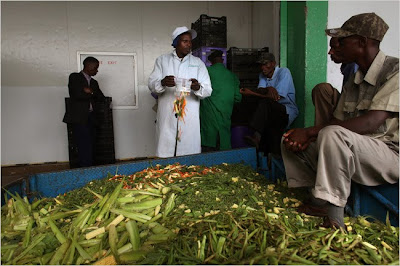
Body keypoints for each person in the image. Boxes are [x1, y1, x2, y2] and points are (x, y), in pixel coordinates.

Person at [281, 13, 399, 229]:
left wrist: (310, 132)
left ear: (362, 43)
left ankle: (335, 221)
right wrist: (305, 135)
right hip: (359, 149)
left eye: (343, 41)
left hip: (390, 154)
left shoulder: (395, 71)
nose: (337, 46)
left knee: (331, 134)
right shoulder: (354, 80)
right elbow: (335, 120)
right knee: (290, 138)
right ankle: (318, 200)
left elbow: (371, 122)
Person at [148, 26, 212, 158]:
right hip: (168, 112)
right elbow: (151, 84)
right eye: (185, 41)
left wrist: (197, 87)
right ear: (176, 42)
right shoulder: (162, 60)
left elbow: (208, 90)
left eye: (190, 41)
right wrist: (162, 82)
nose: (189, 45)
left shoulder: (198, 63)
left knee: (188, 151)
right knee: (166, 147)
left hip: (189, 113)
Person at [242, 52, 299, 155]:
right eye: (261, 65)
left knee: (265, 102)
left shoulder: (283, 72)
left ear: (273, 63)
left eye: (266, 64)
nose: (263, 67)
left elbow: (276, 98)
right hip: (271, 110)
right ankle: (258, 139)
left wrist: (252, 92)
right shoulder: (263, 75)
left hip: (286, 110)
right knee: (251, 100)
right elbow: (260, 91)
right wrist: (268, 88)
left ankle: (256, 136)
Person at [63, 56, 105, 167]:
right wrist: (91, 94)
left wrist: (89, 92)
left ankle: (90, 166)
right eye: (95, 68)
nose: (97, 71)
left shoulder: (94, 83)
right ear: (88, 66)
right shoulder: (75, 77)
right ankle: (85, 168)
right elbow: (77, 95)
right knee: (82, 144)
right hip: (79, 117)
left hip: (92, 117)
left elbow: (101, 97)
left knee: (92, 143)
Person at [200, 49, 242, 152]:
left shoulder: (207, 72)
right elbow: (238, 98)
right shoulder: (233, 76)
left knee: (208, 156)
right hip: (225, 121)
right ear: (222, 60)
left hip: (208, 122)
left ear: (211, 61)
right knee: (224, 155)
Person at [312, 37, 359, 126]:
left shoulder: (355, 66)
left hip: (357, 112)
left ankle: (327, 132)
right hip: (346, 104)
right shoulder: (347, 65)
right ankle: (321, 130)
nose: (330, 52)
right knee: (322, 89)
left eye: (335, 48)